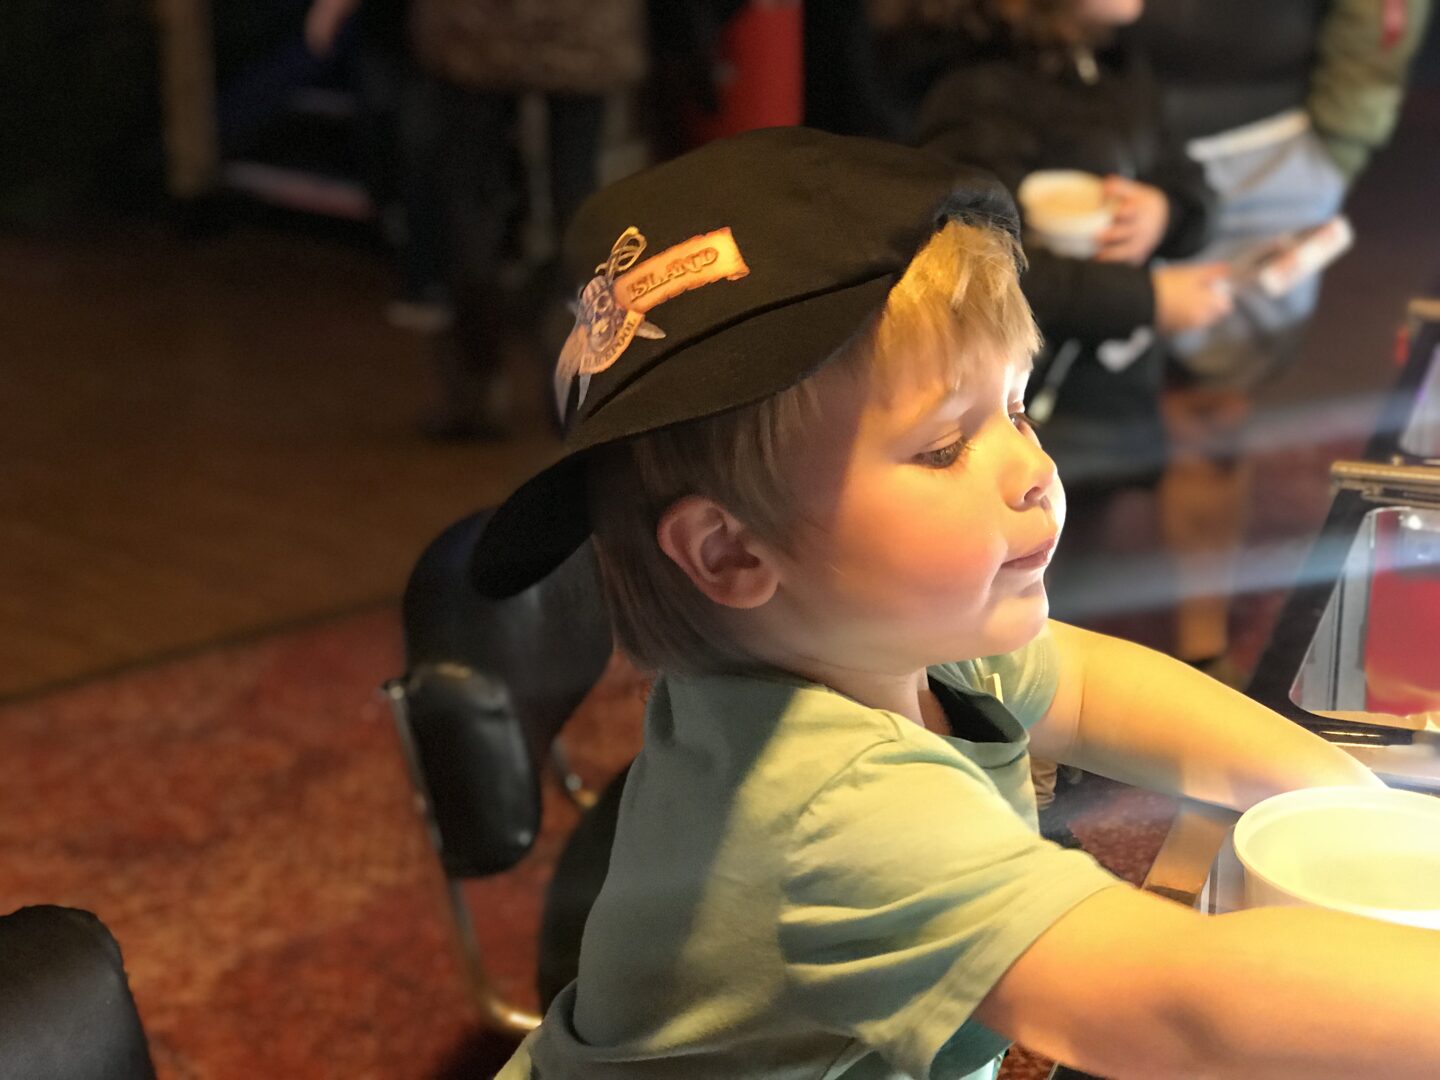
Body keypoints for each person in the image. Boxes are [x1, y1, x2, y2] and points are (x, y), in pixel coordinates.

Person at [475, 128, 1440, 1080]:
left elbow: (1089, 686)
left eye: (1016, 408)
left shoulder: (885, 640)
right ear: (731, 553)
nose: (1032, 469)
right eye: (944, 446)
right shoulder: (832, 809)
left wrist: (1349, 802)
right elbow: (1177, 1012)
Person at [1132, 0, 1433, 668]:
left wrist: (1340, 145)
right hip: (1062, 125)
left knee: (1209, 409)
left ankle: (1201, 648)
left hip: (1259, 149)